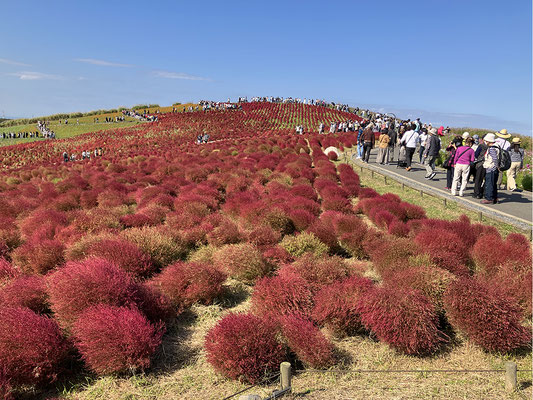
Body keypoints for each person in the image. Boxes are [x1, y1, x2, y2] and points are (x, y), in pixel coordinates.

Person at [481, 133, 500, 204]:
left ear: (488, 141)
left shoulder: (492, 148)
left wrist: (496, 166)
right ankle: (495, 198)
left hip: (491, 168)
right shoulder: (497, 146)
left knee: (489, 184)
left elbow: (494, 159)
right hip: (494, 169)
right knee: (494, 184)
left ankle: (489, 198)